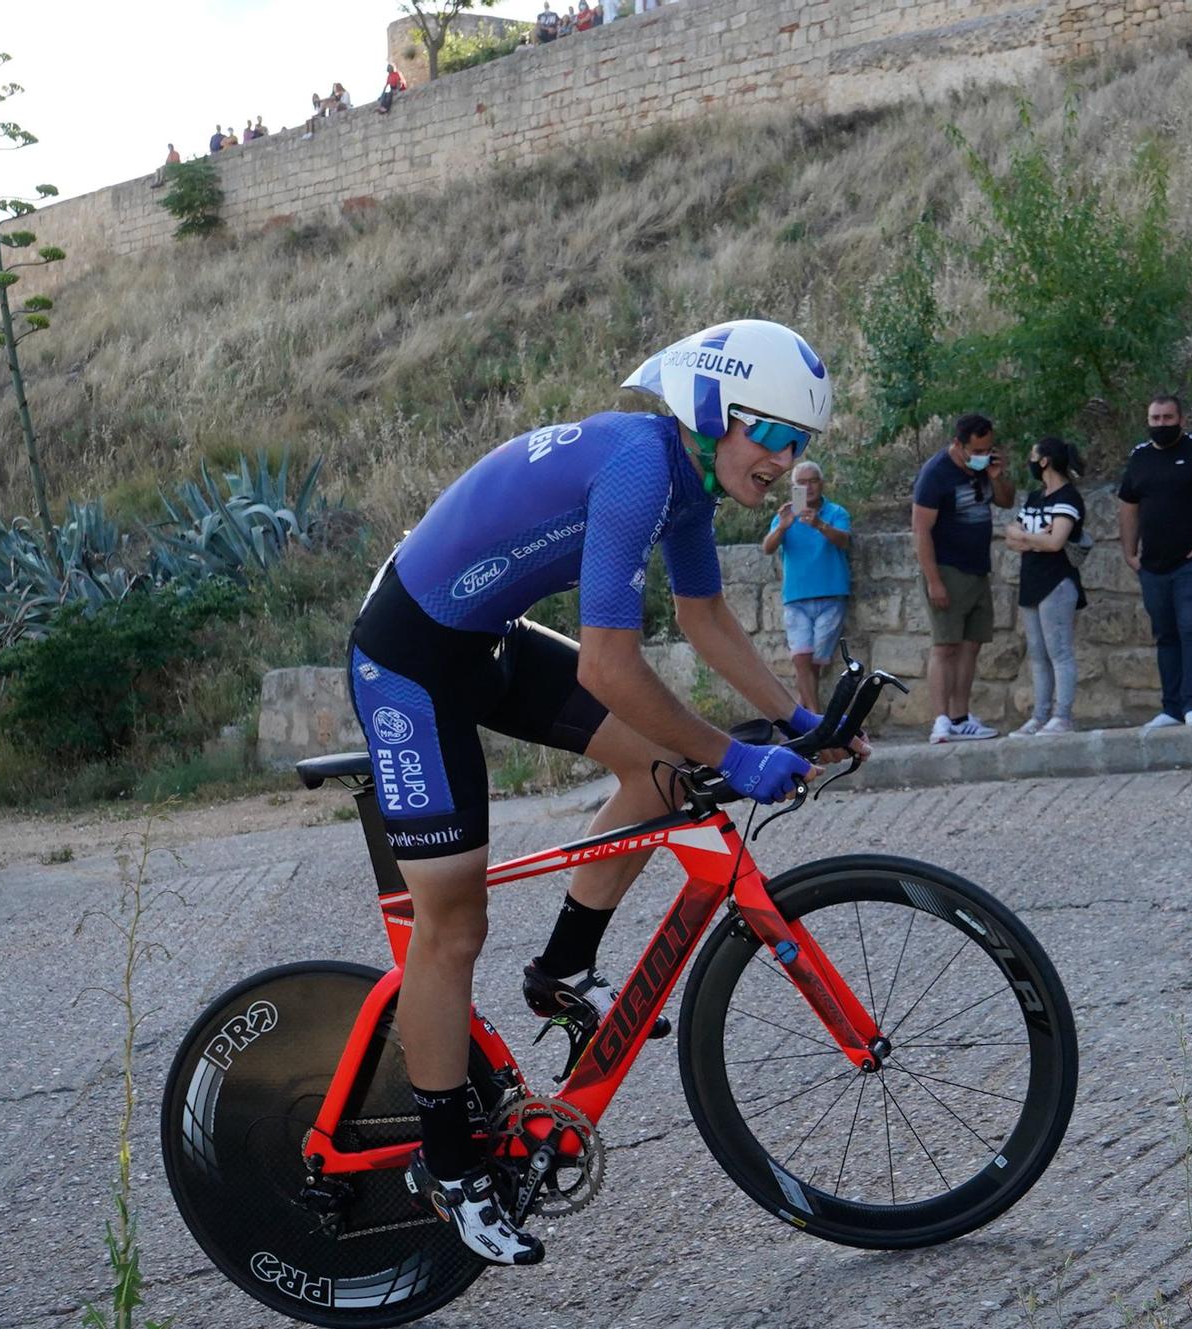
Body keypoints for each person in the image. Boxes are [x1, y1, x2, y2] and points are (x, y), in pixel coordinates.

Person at [344, 319, 845, 1267]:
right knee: (453, 925)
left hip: (486, 638)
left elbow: (705, 618)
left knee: (662, 776)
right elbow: (613, 666)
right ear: (714, 411)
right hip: (410, 661)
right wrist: (735, 757)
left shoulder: (686, 481)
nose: (787, 460)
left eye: (801, 443)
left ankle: (560, 971)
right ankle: (446, 1167)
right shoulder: (638, 468)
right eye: (775, 435)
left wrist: (798, 717)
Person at [1117, 395, 1192, 729]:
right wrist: (1130, 553)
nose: (1160, 424)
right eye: (1155, 418)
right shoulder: (1140, 457)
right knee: (1166, 635)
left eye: (1167, 418)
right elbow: (1128, 505)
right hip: (1153, 566)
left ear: (1181, 420)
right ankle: (1171, 708)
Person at [912, 413, 1014, 743]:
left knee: (971, 646)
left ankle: (960, 716)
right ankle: (941, 720)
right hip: (947, 569)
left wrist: (997, 476)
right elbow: (921, 530)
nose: (985, 453)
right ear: (959, 444)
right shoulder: (936, 473)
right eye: (979, 449)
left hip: (977, 569)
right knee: (945, 646)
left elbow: (1006, 500)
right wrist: (934, 580)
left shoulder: (985, 469)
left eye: (989, 447)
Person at [1004, 437, 1088, 736]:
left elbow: (1056, 542)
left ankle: (1062, 716)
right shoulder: (1035, 497)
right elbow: (1011, 536)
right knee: (1038, 654)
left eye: (1032, 455)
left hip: (1057, 582)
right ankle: (1039, 717)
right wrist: (1034, 538)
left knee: (1059, 651)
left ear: (1044, 461)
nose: (1029, 460)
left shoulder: (1069, 498)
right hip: (1032, 582)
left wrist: (1029, 537)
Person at [761, 459, 851, 709]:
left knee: (814, 664)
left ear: (821, 484)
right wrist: (782, 527)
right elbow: (767, 548)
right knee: (801, 660)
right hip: (796, 598)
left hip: (831, 594)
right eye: (802, 483)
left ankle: (801, 718)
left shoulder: (836, 513)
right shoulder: (786, 515)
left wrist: (819, 525)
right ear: (793, 487)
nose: (808, 487)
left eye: (813, 481)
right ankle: (815, 719)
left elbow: (844, 541)